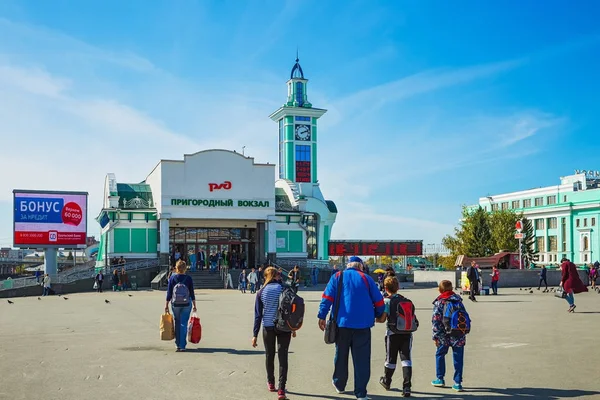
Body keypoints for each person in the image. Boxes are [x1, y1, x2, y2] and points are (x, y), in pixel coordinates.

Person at [318, 256, 385, 400]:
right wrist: (379, 315)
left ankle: (339, 384)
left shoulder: (337, 276)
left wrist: (322, 315)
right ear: (360, 266)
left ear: (348, 265)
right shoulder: (367, 279)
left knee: (341, 355)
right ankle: (360, 393)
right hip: (363, 326)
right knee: (362, 359)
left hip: (342, 324)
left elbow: (327, 297)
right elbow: (379, 301)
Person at [252, 267, 295, 400]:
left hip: (268, 326)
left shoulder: (261, 292)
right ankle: (281, 390)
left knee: (269, 355)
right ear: (277, 276)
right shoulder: (284, 288)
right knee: (283, 357)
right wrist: (293, 328)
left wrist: (255, 335)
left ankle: (271, 382)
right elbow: (291, 309)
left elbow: (258, 315)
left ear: (266, 277)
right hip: (284, 326)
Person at [376, 276, 416, 397]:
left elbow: (382, 319)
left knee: (390, 359)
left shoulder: (387, 301)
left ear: (385, 287)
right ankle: (407, 386)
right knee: (406, 359)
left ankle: (387, 381)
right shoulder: (406, 301)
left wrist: (375, 319)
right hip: (407, 333)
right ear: (398, 287)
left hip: (392, 333)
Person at [431, 280, 467, 392]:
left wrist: (435, 336)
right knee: (458, 358)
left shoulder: (440, 302)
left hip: (443, 335)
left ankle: (440, 378)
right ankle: (457, 383)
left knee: (440, 354)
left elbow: (436, 321)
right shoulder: (459, 301)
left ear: (440, 290)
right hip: (458, 334)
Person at [165, 260, 197, 352]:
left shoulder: (172, 278)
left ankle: (178, 344)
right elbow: (192, 293)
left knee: (177, 322)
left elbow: (169, 293)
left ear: (176, 268)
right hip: (187, 303)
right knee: (184, 323)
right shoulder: (188, 279)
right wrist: (194, 305)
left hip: (175, 304)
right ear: (185, 268)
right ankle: (182, 345)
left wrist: (166, 305)